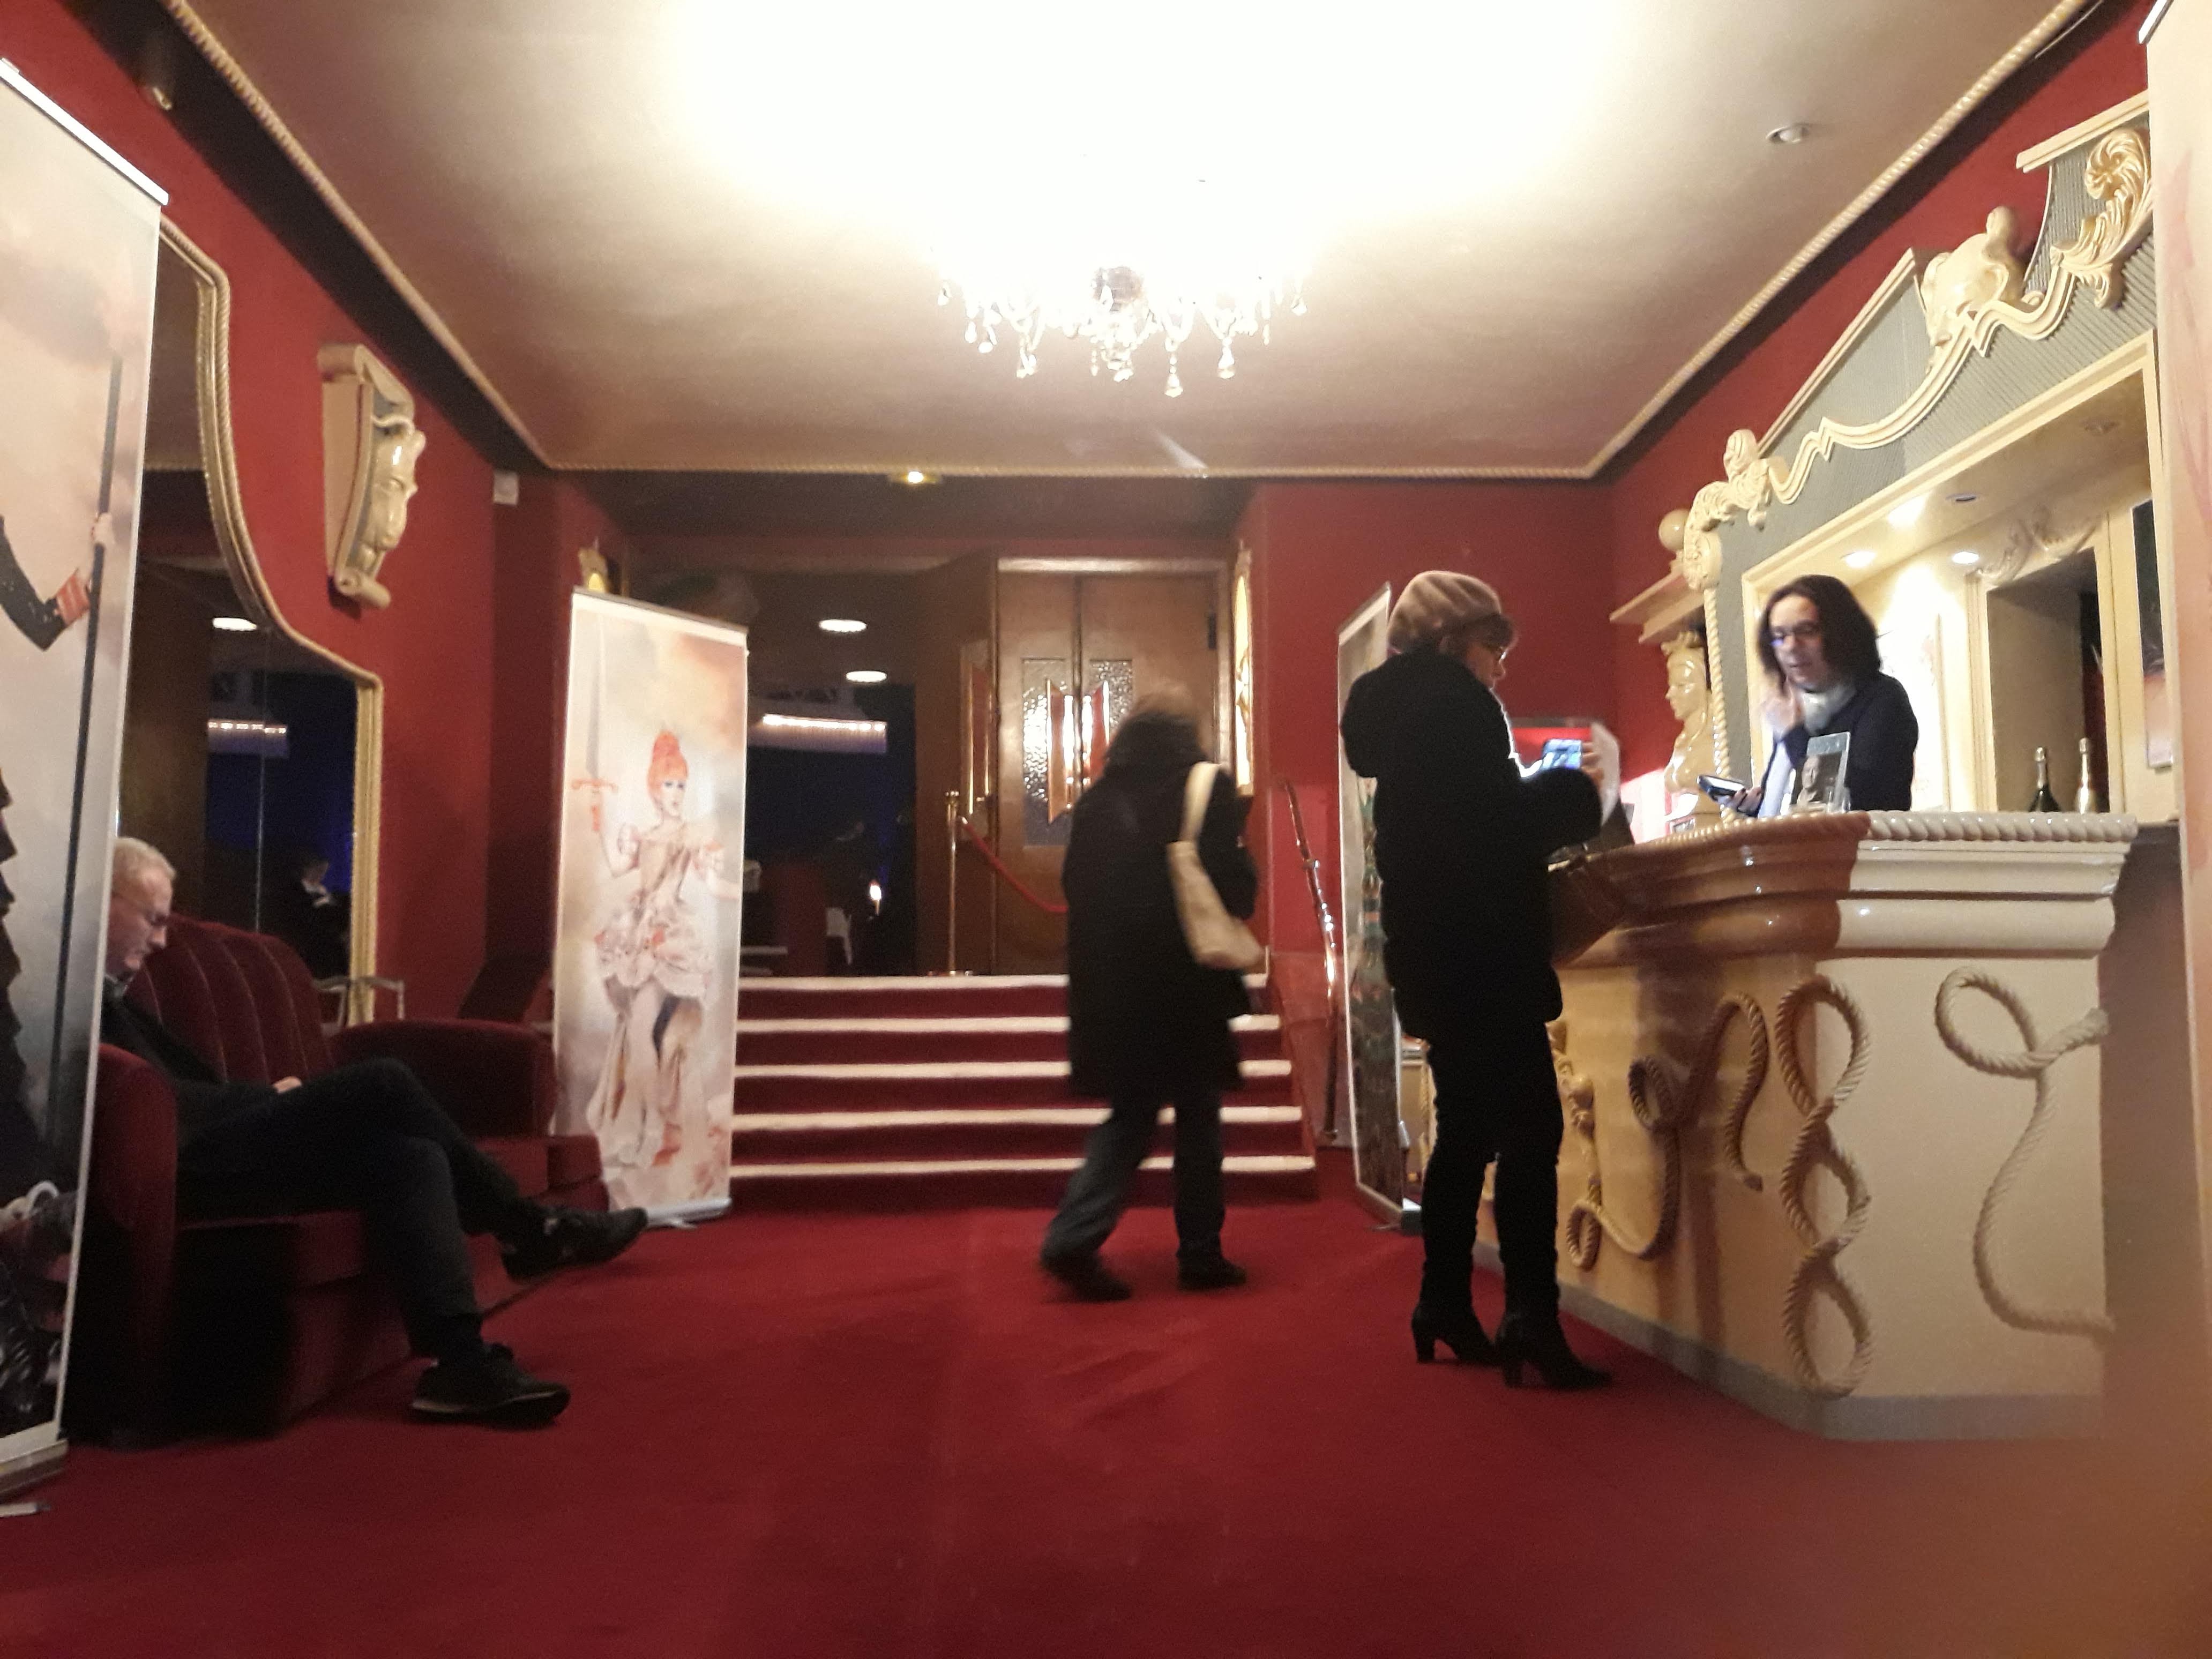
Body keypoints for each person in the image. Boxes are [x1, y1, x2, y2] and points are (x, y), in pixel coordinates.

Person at [99, 837, 648, 1425]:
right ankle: (527, 1228)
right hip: (182, 1163)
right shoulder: (70, 998)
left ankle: (461, 1362)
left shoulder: (119, 998)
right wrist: (272, 1097)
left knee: (411, 1158)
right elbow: (163, 1103)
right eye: (154, 919)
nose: (162, 941)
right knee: (384, 1081)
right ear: (103, 900)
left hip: (220, 1144)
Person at [1340, 570, 1614, 1389]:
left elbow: (1452, 827)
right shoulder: (1456, 707)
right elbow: (1496, 829)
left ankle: (1444, 1303)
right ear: (1455, 640)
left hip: (1435, 953)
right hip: (1484, 953)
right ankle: (1529, 1314)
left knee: (1465, 1132)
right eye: (1494, 644)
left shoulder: (1400, 715)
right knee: (1532, 1131)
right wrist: (1577, 794)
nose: (1502, 664)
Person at [1038, 694, 1256, 1302]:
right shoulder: (1206, 787)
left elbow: (1075, 888)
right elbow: (1235, 889)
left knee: (1131, 1116)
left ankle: (1075, 1234)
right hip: (1187, 984)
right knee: (1199, 1120)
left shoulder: (1097, 802)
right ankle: (1201, 1253)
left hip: (1116, 987)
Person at [575, 730, 743, 1184]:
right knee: (638, 1031)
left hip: (669, 935)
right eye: (669, 785)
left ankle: (651, 1128)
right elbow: (617, 867)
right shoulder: (645, 835)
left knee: (644, 1028)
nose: (676, 793)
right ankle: (644, 1124)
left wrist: (740, 891)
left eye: (681, 785)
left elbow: (714, 886)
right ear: (653, 789)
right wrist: (598, 817)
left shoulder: (691, 836)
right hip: (636, 931)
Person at [1742, 574, 1917, 816]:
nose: (1791, 646)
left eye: (1806, 631)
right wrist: (1757, 806)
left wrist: (1794, 734)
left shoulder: (1882, 698)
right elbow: (1795, 802)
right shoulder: (1793, 707)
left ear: (1841, 633)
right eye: (1780, 637)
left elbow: (1861, 799)